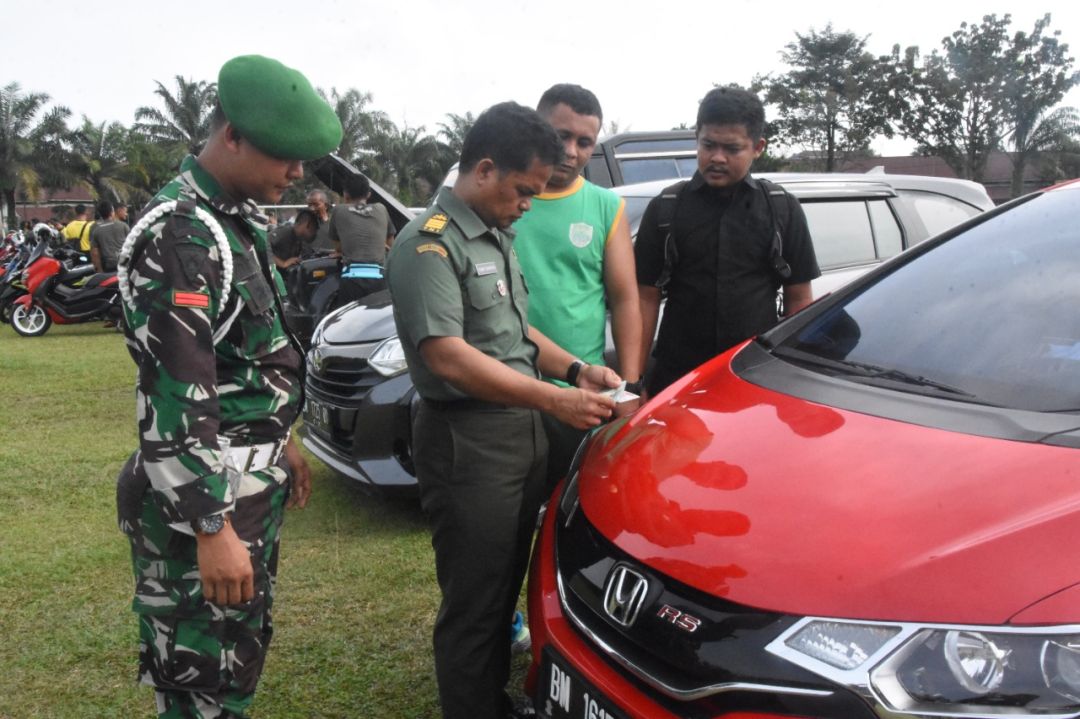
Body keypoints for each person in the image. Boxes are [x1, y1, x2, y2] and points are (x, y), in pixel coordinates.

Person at [115, 54, 341, 719]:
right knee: (202, 682)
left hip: (243, 483)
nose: (296, 173)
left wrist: (282, 437)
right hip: (207, 501)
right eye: (284, 155)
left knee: (233, 665)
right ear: (233, 136)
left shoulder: (229, 221)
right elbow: (175, 397)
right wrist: (209, 526)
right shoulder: (181, 233)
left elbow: (241, 358)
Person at [386, 101, 621, 719]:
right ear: (485, 169)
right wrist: (556, 399)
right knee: (475, 600)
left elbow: (516, 333)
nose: (527, 205)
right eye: (523, 191)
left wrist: (576, 370)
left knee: (506, 581)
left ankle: (489, 699)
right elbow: (448, 357)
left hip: (520, 435)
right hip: (469, 443)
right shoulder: (429, 245)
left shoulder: (494, 233)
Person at [635, 86, 820, 396]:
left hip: (757, 378)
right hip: (678, 377)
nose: (717, 158)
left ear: (757, 147)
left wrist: (796, 381)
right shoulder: (666, 208)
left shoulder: (781, 208)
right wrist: (634, 381)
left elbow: (799, 298)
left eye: (732, 149)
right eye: (708, 145)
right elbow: (645, 298)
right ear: (696, 138)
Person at [513, 83, 643, 493]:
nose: (571, 151)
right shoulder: (504, 199)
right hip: (507, 384)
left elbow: (625, 299)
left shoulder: (606, 207)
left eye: (584, 142)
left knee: (570, 500)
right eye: (561, 136)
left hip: (580, 391)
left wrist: (629, 385)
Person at [329, 173, 395, 305]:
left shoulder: (338, 211)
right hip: (379, 280)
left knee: (350, 317)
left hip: (351, 280)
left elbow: (338, 247)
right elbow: (390, 243)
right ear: (368, 194)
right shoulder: (381, 209)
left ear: (345, 194)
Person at [89, 200, 129, 272]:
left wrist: (99, 270)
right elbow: (132, 243)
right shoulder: (123, 226)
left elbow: (95, 253)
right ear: (111, 212)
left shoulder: (96, 230)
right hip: (124, 263)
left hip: (108, 266)